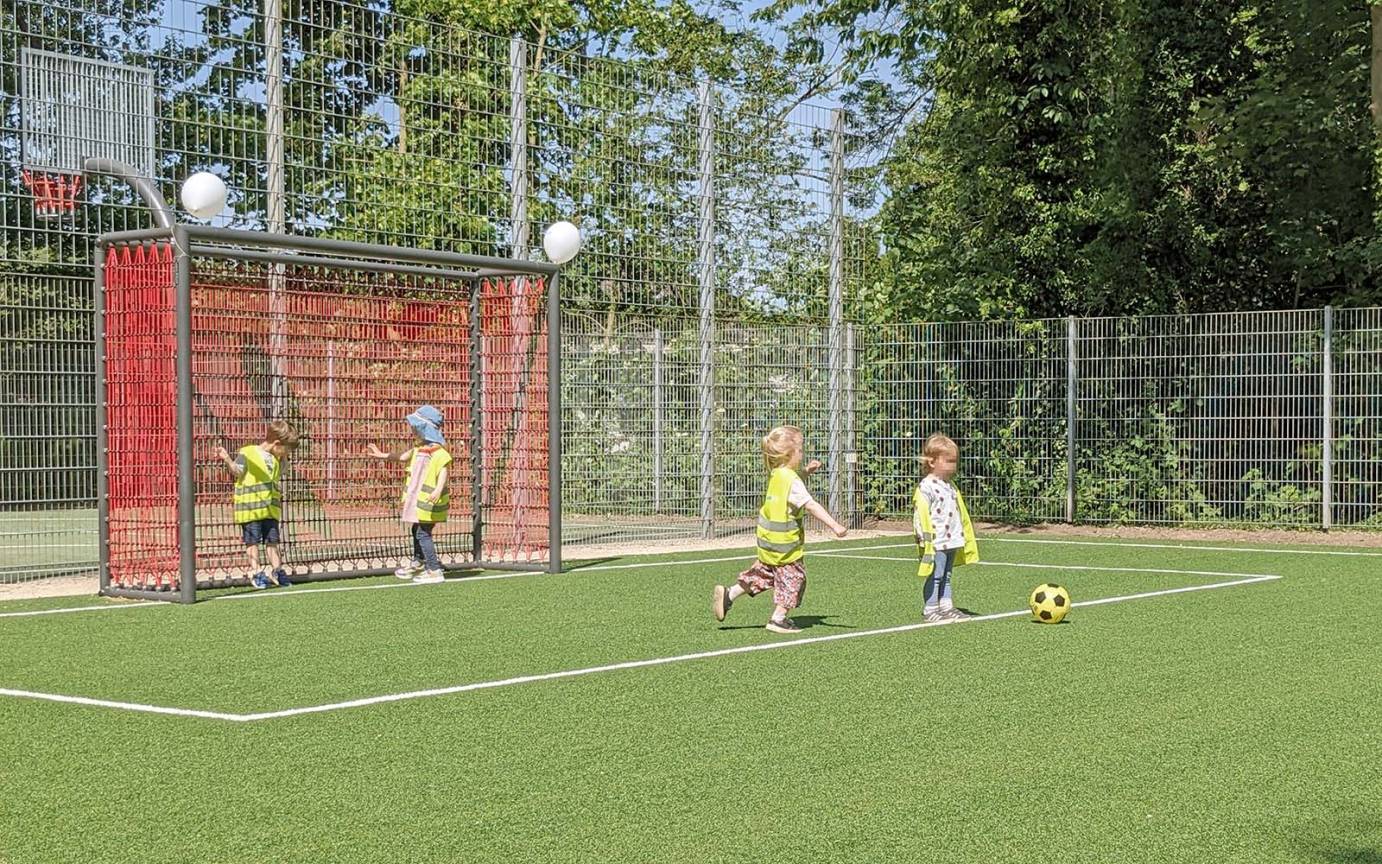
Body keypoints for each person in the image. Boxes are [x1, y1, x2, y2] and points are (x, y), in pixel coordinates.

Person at [711, 425, 847, 634]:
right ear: (789, 454)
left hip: (767, 542)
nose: (802, 454)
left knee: (765, 574)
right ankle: (778, 618)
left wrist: (806, 472)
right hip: (786, 546)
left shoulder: (777, 474)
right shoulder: (792, 480)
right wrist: (834, 525)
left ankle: (730, 594)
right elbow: (810, 504)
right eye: (800, 450)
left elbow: (791, 488)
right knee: (794, 579)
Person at [369, 405, 452, 584]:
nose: (412, 430)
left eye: (415, 427)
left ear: (424, 428)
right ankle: (420, 561)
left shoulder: (438, 452)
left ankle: (434, 570)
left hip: (430, 502)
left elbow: (444, 471)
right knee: (417, 529)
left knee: (423, 533)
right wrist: (381, 455)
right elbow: (401, 457)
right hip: (419, 500)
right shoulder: (419, 449)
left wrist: (438, 490)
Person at [215, 420, 300, 589]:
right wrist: (227, 459)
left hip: (270, 510)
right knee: (252, 541)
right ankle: (256, 571)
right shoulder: (248, 452)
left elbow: (280, 472)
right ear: (277, 444)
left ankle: (277, 570)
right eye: (286, 449)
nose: (287, 453)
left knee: (272, 541)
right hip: (250, 509)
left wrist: (283, 459)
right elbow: (237, 471)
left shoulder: (278, 460)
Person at [913, 433, 980, 623]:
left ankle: (946, 606)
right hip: (937, 540)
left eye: (954, 461)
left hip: (952, 538)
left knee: (947, 575)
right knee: (937, 574)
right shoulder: (927, 486)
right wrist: (923, 537)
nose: (953, 466)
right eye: (948, 461)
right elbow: (921, 513)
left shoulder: (950, 486)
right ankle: (930, 608)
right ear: (932, 462)